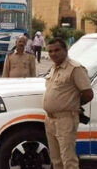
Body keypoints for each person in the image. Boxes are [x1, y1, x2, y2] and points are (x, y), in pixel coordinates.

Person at [43, 38, 93, 169]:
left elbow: (88, 94)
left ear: (65, 50)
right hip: (50, 119)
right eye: (50, 51)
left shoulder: (75, 68)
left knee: (68, 160)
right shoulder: (54, 68)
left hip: (65, 120)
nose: (53, 53)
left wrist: (73, 103)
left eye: (57, 50)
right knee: (56, 160)